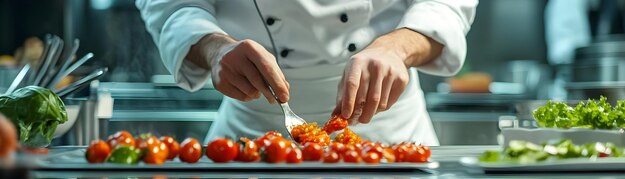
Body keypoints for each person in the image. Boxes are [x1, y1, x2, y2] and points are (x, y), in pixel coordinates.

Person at [136, 0, 477, 146]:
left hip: (390, 128)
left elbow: (448, 4)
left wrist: (398, 46)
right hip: (252, 133)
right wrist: (214, 48)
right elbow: (171, 6)